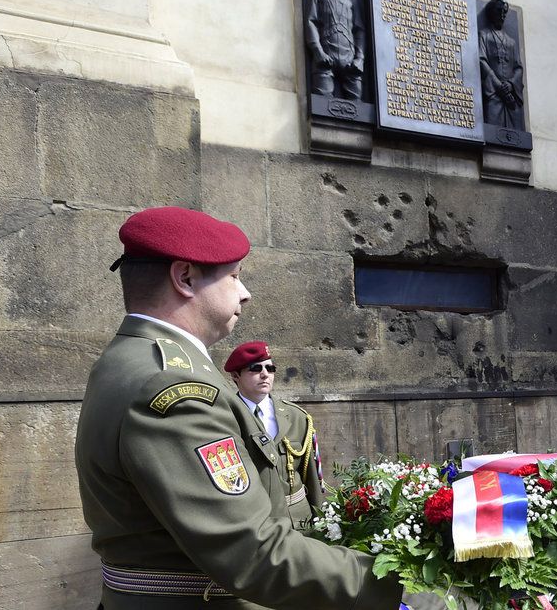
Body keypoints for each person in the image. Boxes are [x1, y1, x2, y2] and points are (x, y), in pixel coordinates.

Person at [75, 206, 402, 609]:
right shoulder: (175, 385)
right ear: (185, 277)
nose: (244, 293)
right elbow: (253, 553)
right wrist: (399, 582)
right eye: (234, 276)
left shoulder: (130, 358)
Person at [224, 341, 323, 529]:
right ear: (236, 376)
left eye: (270, 368)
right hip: (254, 521)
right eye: (255, 369)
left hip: (299, 521)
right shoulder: (226, 418)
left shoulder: (297, 417)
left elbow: (310, 475)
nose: (265, 375)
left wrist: (321, 520)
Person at [304, 0, 365, 100]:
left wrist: (359, 59)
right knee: (322, 102)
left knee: (357, 106)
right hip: (325, 55)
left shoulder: (352, 0)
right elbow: (310, 22)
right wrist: (318, 52)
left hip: (349, 59)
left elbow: (359, 31)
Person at [478, 0, 524, 129]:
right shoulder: (484, 35)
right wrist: (498, 86)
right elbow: (482, 60)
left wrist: (510, 85)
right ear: (492, 13)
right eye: (499, 11)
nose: (502, 15)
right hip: (493, 93)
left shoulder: (511, 42)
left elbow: (518, 68)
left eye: (504, 12)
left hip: (511, 96)